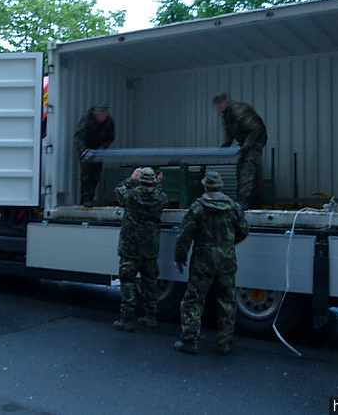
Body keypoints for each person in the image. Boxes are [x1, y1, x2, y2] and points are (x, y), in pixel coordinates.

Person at [173, 171, 249, 355]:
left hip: (202, 261)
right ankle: (225, 342)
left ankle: (190, 341)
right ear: (221, 186)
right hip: (227, 261)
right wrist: (227, 245)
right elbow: (243, 231)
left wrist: (180, 257)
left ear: (205, 187)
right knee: (226, 301)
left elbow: (185, 236)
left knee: (194, 300)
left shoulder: (197, 208)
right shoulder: (234, 207)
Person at [113, 167, 169, 332]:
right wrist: (157, 184)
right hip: (150, 247)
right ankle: (150, 316)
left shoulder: (130, 196)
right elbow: (160, 195)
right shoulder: (162, 197)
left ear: (140, 179)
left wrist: (132, 178)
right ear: (154, 181)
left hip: (130, 246)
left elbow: (119, 189)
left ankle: (126, 319)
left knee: (128, 281)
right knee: (150, 282)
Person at [212, 93, 267, 210]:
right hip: (244, 142)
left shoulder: (239, 111)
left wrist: (245, 147)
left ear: (225, 102)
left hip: (255, 139)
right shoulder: (226, 116)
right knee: (241, 168)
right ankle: (248, 199)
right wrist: (224, 148)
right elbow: (229, 134)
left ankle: (244, 200)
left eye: (219, 105)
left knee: (247, 167)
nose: (218, 108)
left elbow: (255, 129)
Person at [73, 103, 115, 207]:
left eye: (104, 114)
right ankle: (86, 199)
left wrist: (103, 147)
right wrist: (83, 151)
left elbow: (110, 137)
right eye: (100, 114)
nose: (102, 116)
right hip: (86, 149)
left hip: (98, 150)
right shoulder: (87, 120)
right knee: (86, 175)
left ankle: (91, 197)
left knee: (96, 174)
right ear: (95, 113)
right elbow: (78, 137)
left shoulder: (109, 122)